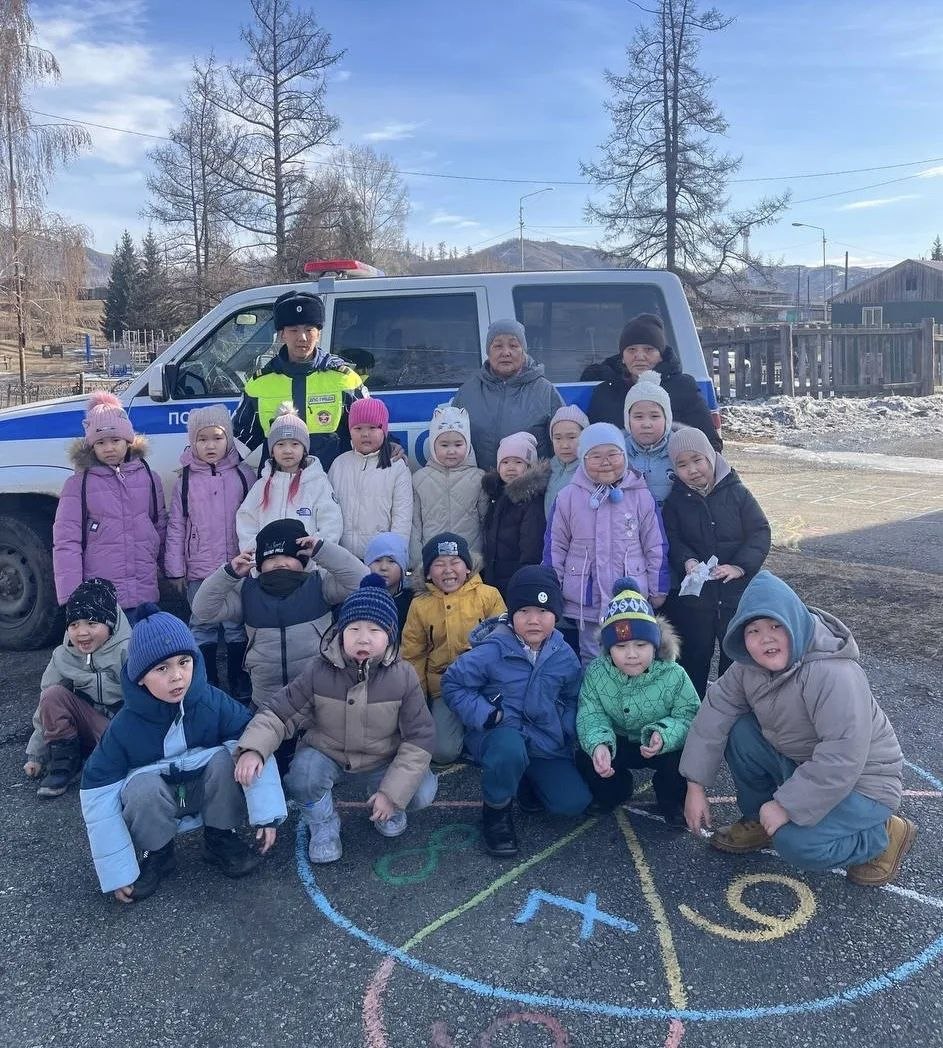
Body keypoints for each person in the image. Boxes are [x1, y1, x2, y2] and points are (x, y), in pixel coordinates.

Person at [681, 571, 915, 887]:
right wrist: (695, 785)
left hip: (863, 783)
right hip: (806, 764)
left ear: (795, 622)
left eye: (777, 625)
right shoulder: (747, 667)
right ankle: (758, 821)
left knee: (796, 844)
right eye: (754, 630)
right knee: (739, 730)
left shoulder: (833, 673)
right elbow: (716, 711)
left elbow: (842, 756)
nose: (766, 637)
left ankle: (883, 835)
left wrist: (787, 806)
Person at [79, 606, 286, 903]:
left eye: (184, 662)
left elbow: (253, 739)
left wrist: (267, 814)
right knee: (140, 787)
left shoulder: (212, 702)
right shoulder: (124, 727)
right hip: (159, 800)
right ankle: (158, 852)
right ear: (140, 678)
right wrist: (117, 872)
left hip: (205, 791)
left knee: (230, 758)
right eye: (161, 669)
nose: (177, 676)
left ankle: (220, 837)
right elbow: (96, 791)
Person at [233, 575, 438, 864]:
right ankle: (324, 824)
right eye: (353, 628)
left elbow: (420, 736)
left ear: (390, 634)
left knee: (420, 790)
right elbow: (280, 711)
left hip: (383, 758)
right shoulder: (319, 670)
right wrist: (253, 747)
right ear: (341, 632)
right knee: (303, 776)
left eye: (374, 629)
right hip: (328, 753)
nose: (363, 637)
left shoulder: (403, 676)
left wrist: (393, 793)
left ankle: (387, 804)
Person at [442, 566, 591, 858]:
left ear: (556, 615)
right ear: (512, 615)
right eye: (524, 611)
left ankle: (526, 782)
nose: (533, 620)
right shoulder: (492, 649)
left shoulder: (564, 654)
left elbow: (574, 696)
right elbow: (453, 683)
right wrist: (486, 714)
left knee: (573, 802)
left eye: (543, 611)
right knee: (509, 751)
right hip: (501, 734)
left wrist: (565, 726)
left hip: (545, 740)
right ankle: (496, 811)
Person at [190, 518, 367, 707]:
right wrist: (228, 574)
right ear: (259, 564)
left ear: (303, 559)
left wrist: (323, 550)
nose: (279, 563)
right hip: (266, 701)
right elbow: (202, 610)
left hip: (317, 698)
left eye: (288, 556)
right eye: (271, 558)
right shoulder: (246, 592)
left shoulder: (319, 584)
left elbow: (362, 581)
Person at [576, 577, 698, 825]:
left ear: (656, 644)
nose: (631, 654)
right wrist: (599, 744)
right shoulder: (597, 672)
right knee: (585, 755)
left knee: (683, 757)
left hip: (659, 743)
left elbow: (689, 715)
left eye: (641, 644)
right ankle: (616, 789)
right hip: (618, 740)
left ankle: (671, 799)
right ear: (608, 649)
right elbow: (591, 714)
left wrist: (664, 734)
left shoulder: (673, 673)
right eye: (620, 646)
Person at [661, 427, 771, 698]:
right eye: (683, 465)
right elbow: (672, 539)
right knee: (695, 656)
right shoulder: (676, 501)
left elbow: (759, 531)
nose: (692, 470)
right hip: (697, 598)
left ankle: (732, 709)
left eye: (697, 460)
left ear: (711, 457)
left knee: (734, 654)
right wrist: (687, 561)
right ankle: (690, 710)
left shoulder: (737, 493)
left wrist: (740, 567)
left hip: (734, 593)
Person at [547, 422, 669, 665]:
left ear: (624, 455)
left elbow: (655, 545)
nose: (605, 462)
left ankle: (632, 700)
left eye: (613, 454)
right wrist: (554, 589)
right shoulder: (568, 497)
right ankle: (594, 700)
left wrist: (658, 588)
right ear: (583, 459)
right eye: (595, 456)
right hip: (587, 598)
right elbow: (555, 546)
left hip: (630, 596)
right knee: (591, 656)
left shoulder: (640, 494)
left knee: (631, 654)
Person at [164, 405, 256, 696]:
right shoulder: (185, 480)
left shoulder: (243, 475)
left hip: (236, 566)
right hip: (199, 568)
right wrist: (175, 569)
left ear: (227, 438)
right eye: (202, 439)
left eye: (216, 438)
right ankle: (208, 683)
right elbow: (176, 526)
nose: (210, 445)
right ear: (193, 443)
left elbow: (255, 518)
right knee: (201, 624)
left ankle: (238, 682)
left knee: (235, 624)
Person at [53, 390, 167, 618]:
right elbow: (67, 541)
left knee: (142, 649)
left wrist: (171, 570)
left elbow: (160, 526)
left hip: (144, 589)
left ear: (128, 441)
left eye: (115, 440)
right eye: (101, 442)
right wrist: (71, 594)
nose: (109, 448)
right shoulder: (79, 485)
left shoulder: (149, 478)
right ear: (91, 446)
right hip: (101, 593)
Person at [402, 533, 506, 765]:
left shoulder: (489, 596)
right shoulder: (420, 605)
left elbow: (503, 641)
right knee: (443, 753)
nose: (448, 570)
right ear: (428, 572)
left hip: (484, 684)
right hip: (444, 686)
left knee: (497, 739)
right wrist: (417, 698)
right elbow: (413, 654)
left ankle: (474, 734)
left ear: (468, 568)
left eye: (455, 562)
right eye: (439, 564)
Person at [232, 290, 364, 470]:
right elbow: (240, 440)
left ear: (318, 334)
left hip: (330, 486)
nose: (302, 338)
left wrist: (390, 446)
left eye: (309, 330)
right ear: (282, 335)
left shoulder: (345, 380)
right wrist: (202, 463)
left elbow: (369, 427)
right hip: (280, 487)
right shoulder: (259, 384)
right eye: (293, 330)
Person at [24, 578, 131, 799]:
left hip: (121, 730)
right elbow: (45, 709)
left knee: (126, 760)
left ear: (110, 624)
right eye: (74, 625)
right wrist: (36, 755)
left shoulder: (129, 650)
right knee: (52, 695)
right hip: (87, 728)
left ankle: (115, 761)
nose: (82, 632)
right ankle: (64, 763)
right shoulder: (62, 656)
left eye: (92, 624)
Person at [583, 313, 721, 451]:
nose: (639, 356)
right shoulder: (605, 392)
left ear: (661, 355)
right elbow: (589, 447)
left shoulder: (683, 388)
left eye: (648, 349)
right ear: (622, 357)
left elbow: (710, 444)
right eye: (631, 350)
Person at [452, 319, 564, 470]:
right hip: (480, 489)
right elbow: (449, 442)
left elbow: (566, 447)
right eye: (498, 346)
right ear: (488, 351)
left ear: (523, 350)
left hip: (530, 490)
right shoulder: (467, 393)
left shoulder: (545, 391)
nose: (506, 352)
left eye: (513, 345)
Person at [236, 401, 343, 554]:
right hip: (268, 570)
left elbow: (332, 524)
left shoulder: (318, 483)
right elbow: (246, 523)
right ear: (272, 450)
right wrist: (257, 557)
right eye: (280, 444)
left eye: (294, 444)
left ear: (304, 449)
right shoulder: (261, 485)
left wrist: (316, 558)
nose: (287, 450)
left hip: (307, 570)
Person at [328, 397, 413, 562]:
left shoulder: (396, 467)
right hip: (343, 558)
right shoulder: (339, 464)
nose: (365, 434)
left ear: (384, 430)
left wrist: (394, 557)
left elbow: (402, 518)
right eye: (358, 428)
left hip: (381, 559)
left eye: (373, 428)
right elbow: (328, 512)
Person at [410, 404, 488, 574]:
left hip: (469, 562)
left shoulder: (479, 478)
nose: (451, 451)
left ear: (467, 445)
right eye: (444, 445)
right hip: (432, 563)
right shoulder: (419, 479)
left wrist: (481, 558)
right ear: (432, 445)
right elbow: (415, 525)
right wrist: (418, 562)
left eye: (458, 444)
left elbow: (485, 522)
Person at [481, 432, 550, 598]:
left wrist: (524, 579)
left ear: (528, 466)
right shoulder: (496, 495)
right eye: (505, 462)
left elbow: (531, 546)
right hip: (493, 578)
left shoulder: (531, 500)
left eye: (518, 462)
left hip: (516, 578)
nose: (510, 467)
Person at [623, 371, 674, 506]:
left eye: (654, 416)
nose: (646, 424)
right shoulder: (618, 453)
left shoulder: (679, 451)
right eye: (638, 417)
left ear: (667, 420)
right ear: (628, 420)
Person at [365, 532, 414, 639]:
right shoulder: (360, 598)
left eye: (391, 561)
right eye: (377, 560)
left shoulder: (412, 601)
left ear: (403, 567)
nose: (383, 567)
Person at [544, 404, 589, 518]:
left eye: (572, 437)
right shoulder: (546, 471)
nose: (564, 445)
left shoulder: (590, 472)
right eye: (558, 438)